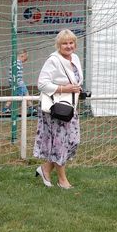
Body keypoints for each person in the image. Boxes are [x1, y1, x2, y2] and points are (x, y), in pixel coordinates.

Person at [33, 29, 83, 189]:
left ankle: (45, 168)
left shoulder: (75, 58)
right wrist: (64, 89)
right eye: (64, 43)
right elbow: (41, 84)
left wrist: (76, 89)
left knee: (73, 141)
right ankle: (62, 180)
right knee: (61, 143)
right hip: (56, 109)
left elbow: (75, 80)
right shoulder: (53, 60)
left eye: (71, 43)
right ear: (58, 45)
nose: (68, 46)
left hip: (70, 108)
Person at [2, 49, 36, 115]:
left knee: (15, 95)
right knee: (26, 94)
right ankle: (31, 108)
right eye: (24, 59)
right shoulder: (17, 63)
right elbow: (14, 72)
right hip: (18, 83)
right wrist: (16, 82)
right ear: (22, 56)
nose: (24, 61)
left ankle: (6, 108)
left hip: (15, 82)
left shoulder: (15, 62)